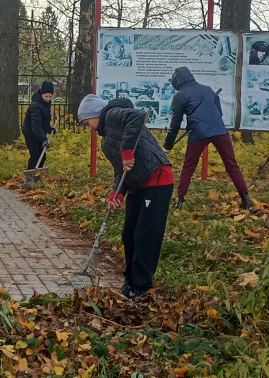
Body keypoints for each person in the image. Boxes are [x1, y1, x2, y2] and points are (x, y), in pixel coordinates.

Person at [77, 94, 174, 300]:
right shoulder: (106, 142)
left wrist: (127, 151)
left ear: (95, 114)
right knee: (129, 234)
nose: (89, 129)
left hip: (157, 176)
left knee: (145, 234)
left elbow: (137, 117)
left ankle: (142, 286)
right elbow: (120, 171)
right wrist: (116, 194)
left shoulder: (112, 114)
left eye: (87, 123)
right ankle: (130, 281)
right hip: (137, 184)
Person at [164, 67, 252, 210]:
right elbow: (219, 112)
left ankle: (180, 201)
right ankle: (246, 199)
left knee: (188, 167)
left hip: (198, 133)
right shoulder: (207, 89)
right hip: (219, 130)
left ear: (177, 80)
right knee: (232, 165)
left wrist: (168, 146)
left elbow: (175, 124)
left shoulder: (180, 96)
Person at [21, 81, 56, 188]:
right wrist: (44, 138)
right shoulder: (36, 106)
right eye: (46, 96)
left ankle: (37, 176)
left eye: (50, 96)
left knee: (43, 155)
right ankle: (29, 178)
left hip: (40, 133)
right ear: (41, 94)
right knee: (35, 155)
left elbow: (45, 122)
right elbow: (36, 126)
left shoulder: (47, 105)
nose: (48, 98)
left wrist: (50, 129)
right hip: (30, 133)